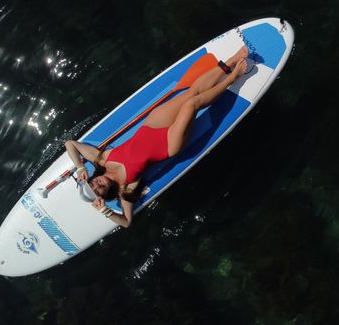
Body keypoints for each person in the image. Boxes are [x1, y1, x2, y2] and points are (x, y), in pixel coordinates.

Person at [65, 46, 249, 228]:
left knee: (190, 93)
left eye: (92, 184)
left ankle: (230, 62)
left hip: (151, 126)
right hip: (168, 144)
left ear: (90, 178)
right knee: (191, 105)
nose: (97, 185)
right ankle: (232, 78)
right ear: (102, 197)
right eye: (96, 191)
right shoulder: (125, 189)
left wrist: (80, 166)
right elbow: (127, 222)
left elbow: (70, 144)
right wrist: (106, 212)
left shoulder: (102, 159)